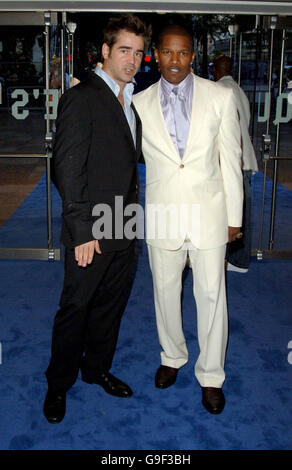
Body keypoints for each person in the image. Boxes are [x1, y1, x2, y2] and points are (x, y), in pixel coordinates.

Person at [43, 14, 151, 424]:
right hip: (92, 226)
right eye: (124, 50)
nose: (132, 59)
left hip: (124, 224)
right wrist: (83, 230)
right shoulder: (83, 96)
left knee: (111, 304)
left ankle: (96, 368)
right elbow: (67, 169)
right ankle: (58, 382)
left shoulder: (130, 99)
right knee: (76, 307)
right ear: (105, 51)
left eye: (138, 52)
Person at [133, 23, 243, 414]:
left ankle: (211, 374)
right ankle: (172, 356)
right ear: (156, 55)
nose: (174, 60)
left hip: (210, 215)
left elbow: (230, 159)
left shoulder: (219, 97)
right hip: (162, 215)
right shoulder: (139, 103)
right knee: (164, 293)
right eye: (167, 52)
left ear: (193, 56)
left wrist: (234, 216)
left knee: (212, 298)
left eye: (182, 53)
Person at [213, 54, 258, 273]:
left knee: (232, 213)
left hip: (233, 162)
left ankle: (237, 260)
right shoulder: (239, 91)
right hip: (245, 160)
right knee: (241, 212)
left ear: (215, 70)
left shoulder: (219, 91)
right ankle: (237, 259)